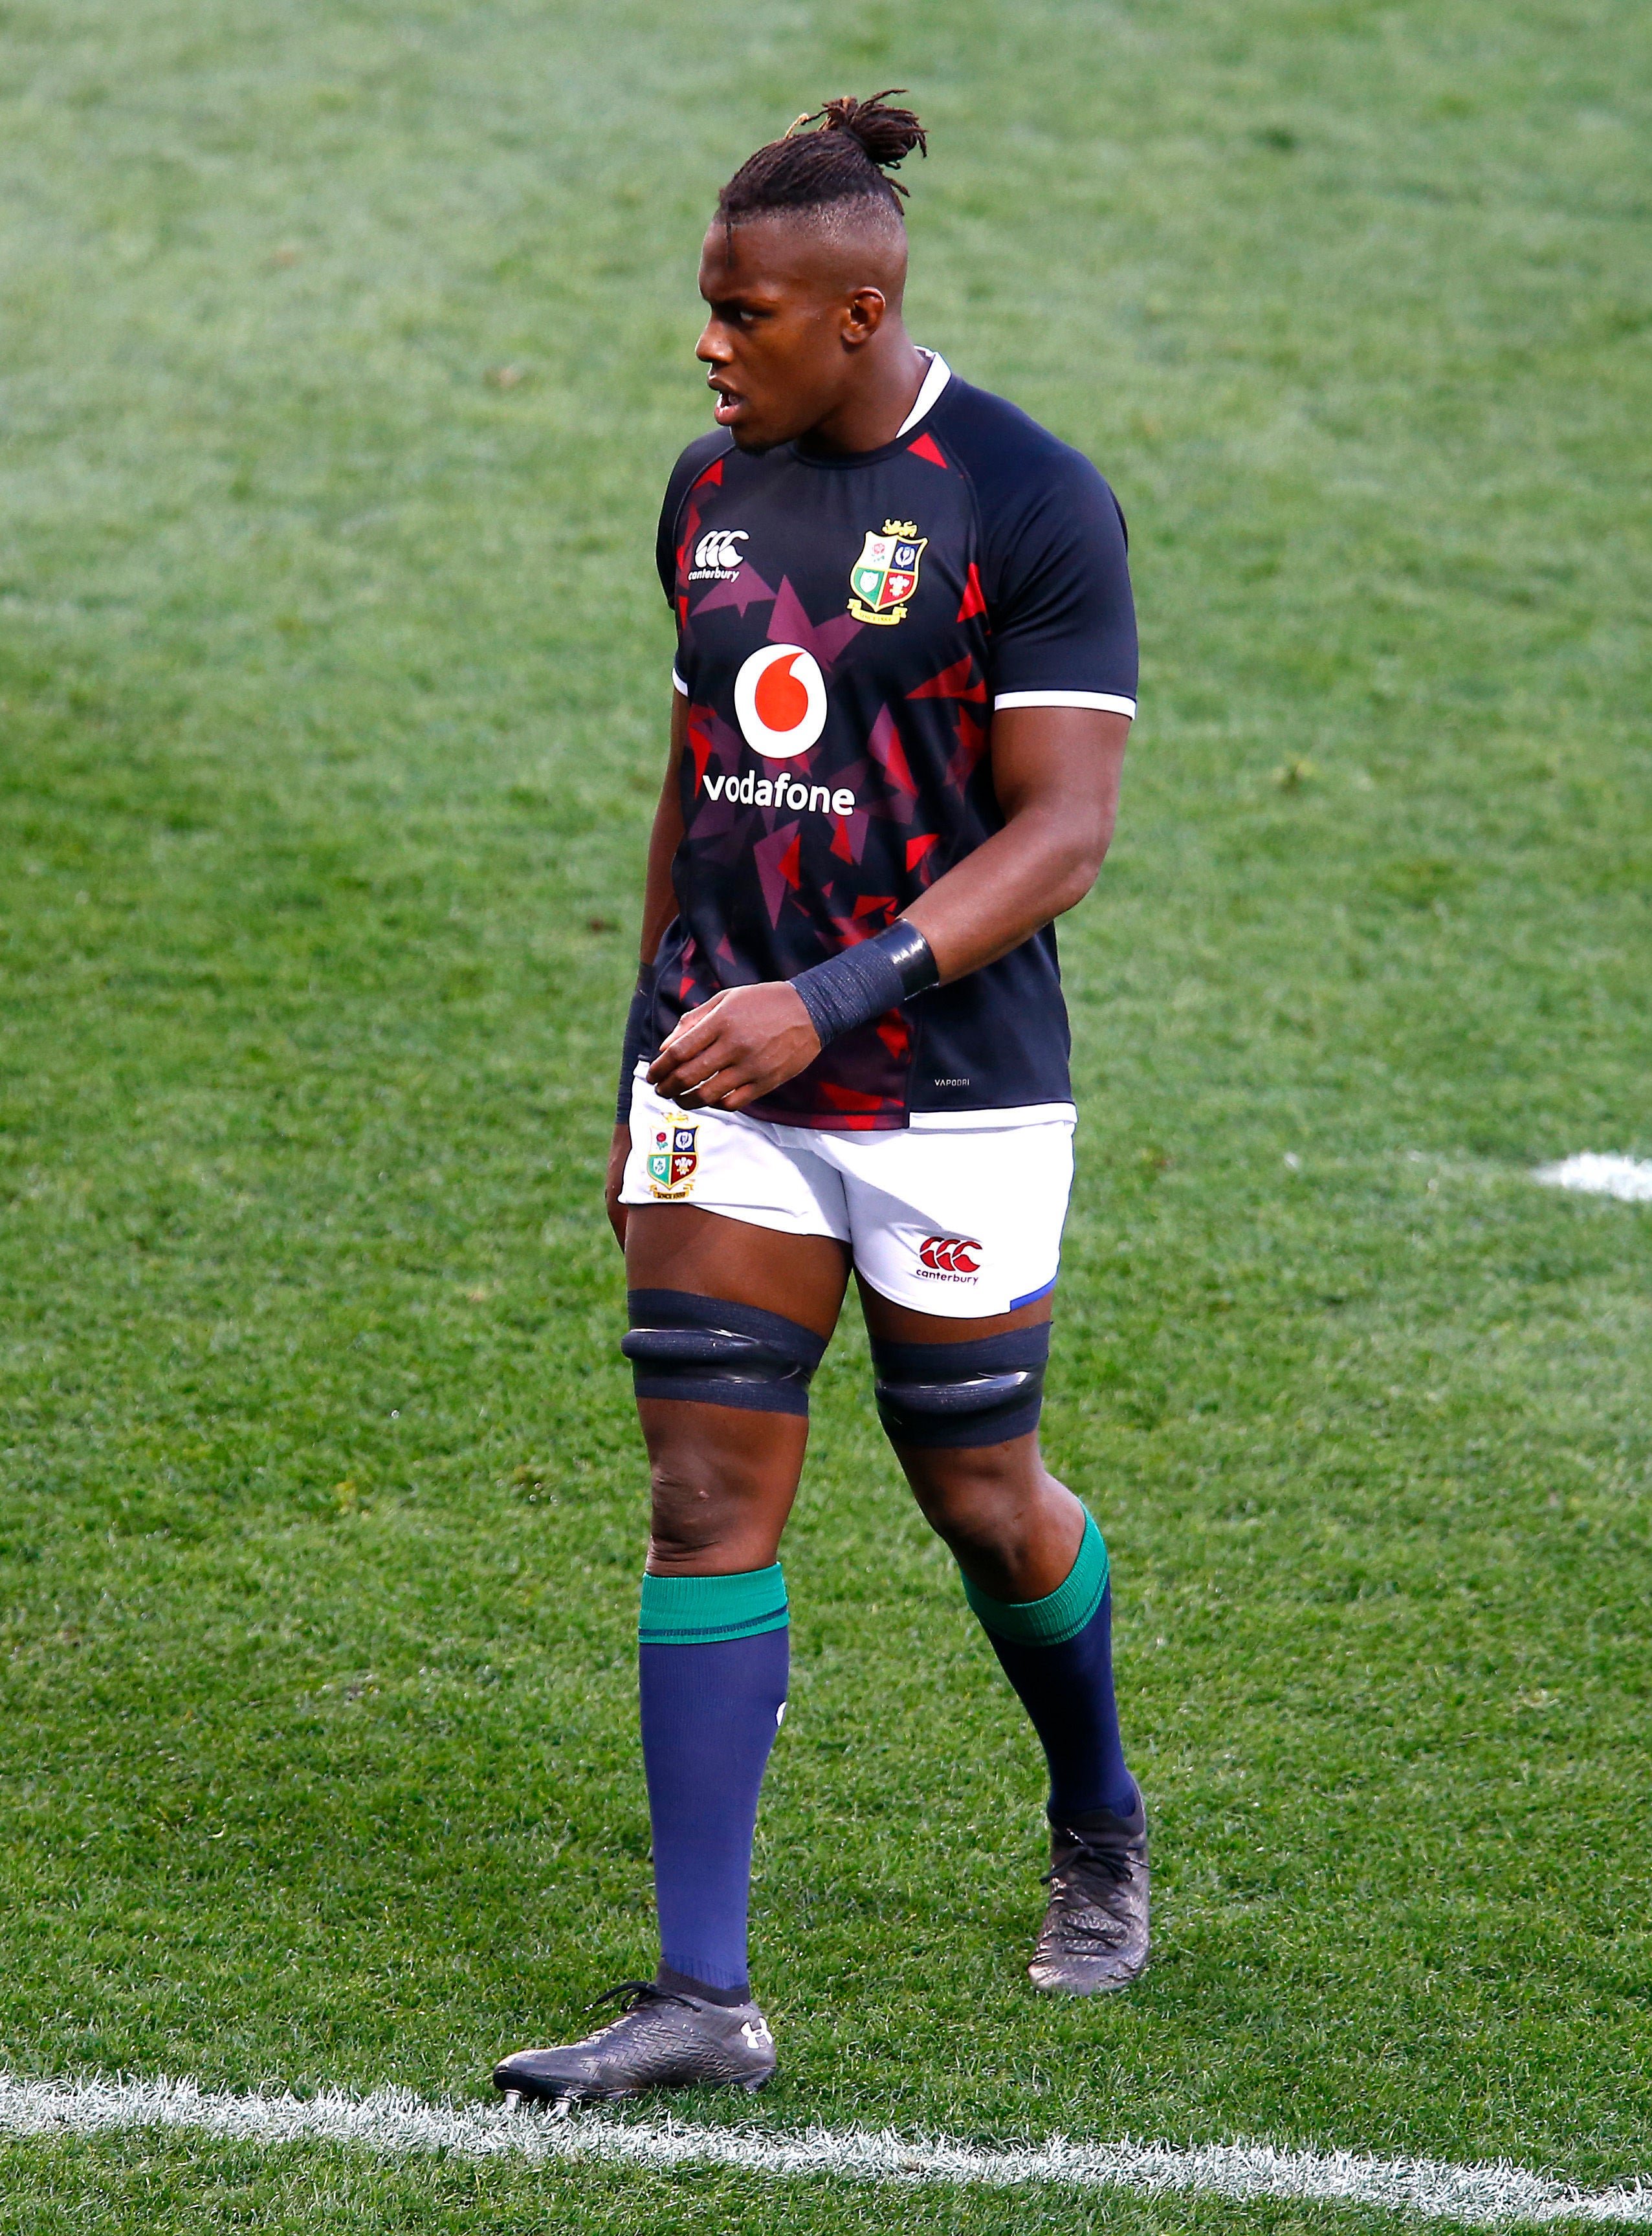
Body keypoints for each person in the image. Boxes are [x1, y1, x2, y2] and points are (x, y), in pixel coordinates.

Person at [494, 91, 1143, 2107]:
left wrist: (827, 1000)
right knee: (703, 1499)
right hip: (725, 1077)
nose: (708, 342)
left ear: (856, 312)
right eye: (709, 306)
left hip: (944, 1093)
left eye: (744, 312)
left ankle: (1099, 1815)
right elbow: (700, 785)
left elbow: (1060, 834)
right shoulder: (704, 490)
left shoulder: (1026, 501)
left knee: (978, 1495)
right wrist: (646, 1061)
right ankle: (703, 2000)